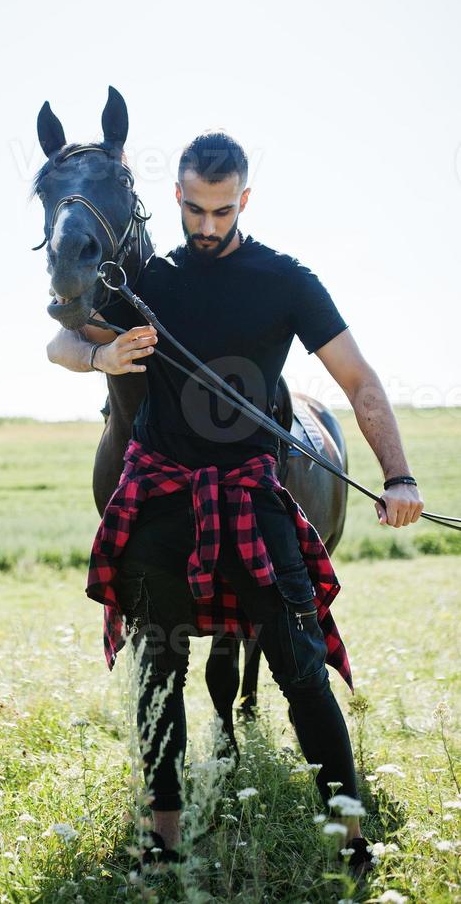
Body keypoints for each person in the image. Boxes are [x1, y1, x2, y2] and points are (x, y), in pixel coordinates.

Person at [46, 132, 424, 872]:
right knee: (157, 669)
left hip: (253, 496)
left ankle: (352, 840)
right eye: (194, 209)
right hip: (162, 498)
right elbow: (60, 336)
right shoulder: (145, 279)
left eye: (222, 210)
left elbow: (356, 377)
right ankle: (164, 842)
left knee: (302, 671)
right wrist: (99, 354)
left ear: (243, 200)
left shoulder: (284, 280)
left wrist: (400, 475)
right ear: (177, 199)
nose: (208, 225)